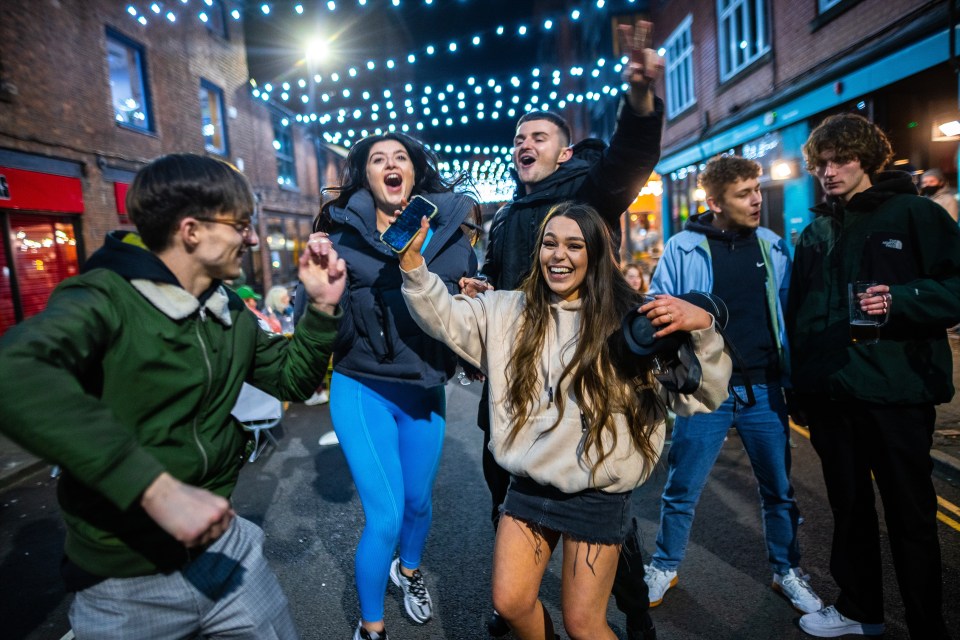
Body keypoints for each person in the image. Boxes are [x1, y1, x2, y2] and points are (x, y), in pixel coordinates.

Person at [0, 153, 346, 639]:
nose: (251, 238)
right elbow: (15, 371)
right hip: (125, 579)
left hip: (225, 548)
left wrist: (324, 308)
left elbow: (291, 380)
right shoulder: (104, 297)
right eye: (241, 225)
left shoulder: (226, 306)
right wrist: (153, 488)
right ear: (191, 231)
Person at [399, 201, 731, 640]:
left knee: (584, 625)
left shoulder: (633, 320)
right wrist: (412, 264)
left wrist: (702, 327)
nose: (559, 255)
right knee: (511, 603)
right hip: (528, 484)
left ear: (596, 254)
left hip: (597, 492)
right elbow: (443, 317)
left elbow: (699, 396)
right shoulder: (507, 310)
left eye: (574, 245)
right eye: (549, 244)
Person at [459, 20, 666, 639]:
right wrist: (480, 295)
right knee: (509, 494)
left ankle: (630, 614)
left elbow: (633, 156)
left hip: (586, 380)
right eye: (518, 137)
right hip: (515, 388)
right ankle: (517, 605)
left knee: (601, 519)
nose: (523, 143)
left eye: (538, 135)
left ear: (563, 152)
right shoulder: (503, 219)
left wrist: (639, 98)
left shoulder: (587, 193)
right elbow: (501, 292)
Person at [296, 132, 478, 640]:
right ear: (367, 176)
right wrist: (316, 293)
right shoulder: (339, 238)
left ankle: (410, 572)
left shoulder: (450, 239)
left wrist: (472, 295)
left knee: (419, 502)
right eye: (379, 159)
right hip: (362, 386)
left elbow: (468, 311)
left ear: (415, 174)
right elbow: (311, 317)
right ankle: (371, 627)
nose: (391, 165)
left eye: (401, 158)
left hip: (423, 389)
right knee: (386, 516)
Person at [787, 113, 960, 639]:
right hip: (832, 395)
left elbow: (955, 285)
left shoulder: (914, 214)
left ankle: (928, 625)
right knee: (850, 509)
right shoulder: (815, 231)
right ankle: (861, 610)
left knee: (910, 515)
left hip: (896, 392)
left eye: (840, 160)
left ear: (866, 158)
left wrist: (903, 300)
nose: (829, 172)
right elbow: (798, 314)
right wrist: (799, 386)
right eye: (820, 164)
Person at [643, 154, 823, 616]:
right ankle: (664, 565)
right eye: (745, 193)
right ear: (715, 201)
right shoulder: (683, 247)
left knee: (778, 489)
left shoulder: (771, 245)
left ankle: (787, 571)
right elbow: (658, 306)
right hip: (706, 389)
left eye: (757, 190)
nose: (757, 200)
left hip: (764, 387)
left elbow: (788, 313)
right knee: (683, 486)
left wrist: (797, 376)